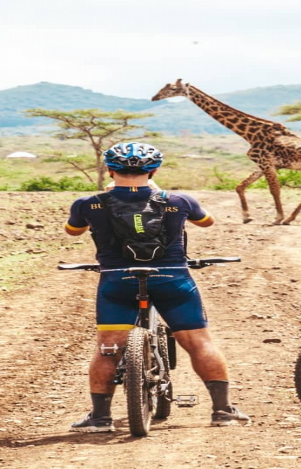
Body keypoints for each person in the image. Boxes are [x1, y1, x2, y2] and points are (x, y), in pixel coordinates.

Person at [64, 142, 250, 432]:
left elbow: (73, 230)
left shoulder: (88, 204)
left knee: (108, 348)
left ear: (109, 169)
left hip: (117, 279)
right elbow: (207, 222)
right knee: (199, 343)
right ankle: (222, 410)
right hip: (173, 278)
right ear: (155, 169)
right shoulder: (180, 201)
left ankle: (100, 418)